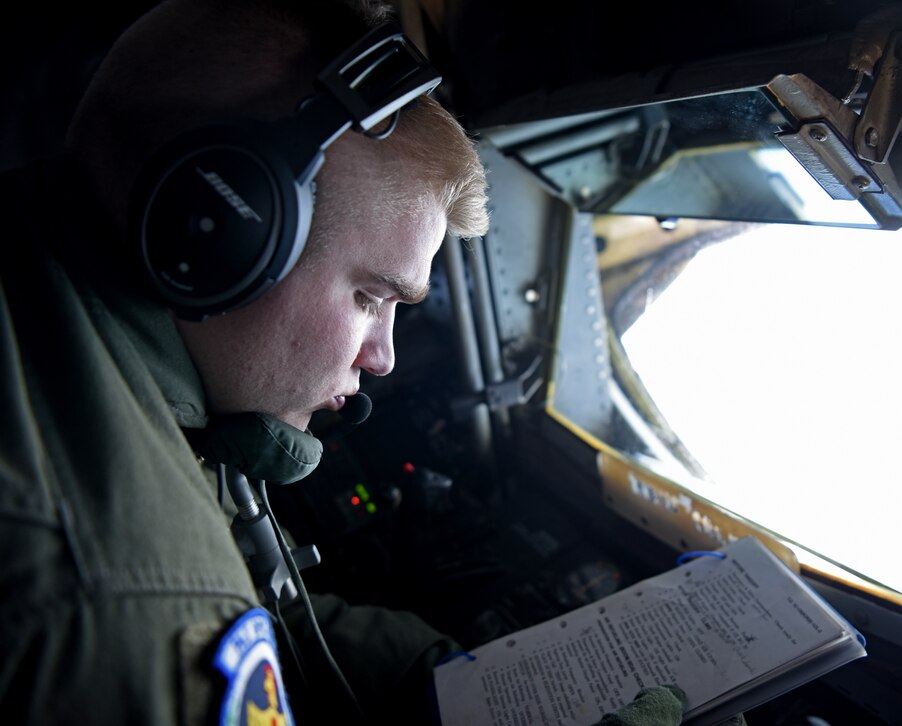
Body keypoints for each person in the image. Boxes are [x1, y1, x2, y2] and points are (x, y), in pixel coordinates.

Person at [0, 0, 701, 723]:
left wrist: (438, 681)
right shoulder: (129, 605)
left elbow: (259, 611)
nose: (384, 357)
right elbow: (183, 602)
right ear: (220, 228)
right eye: (371, 296)